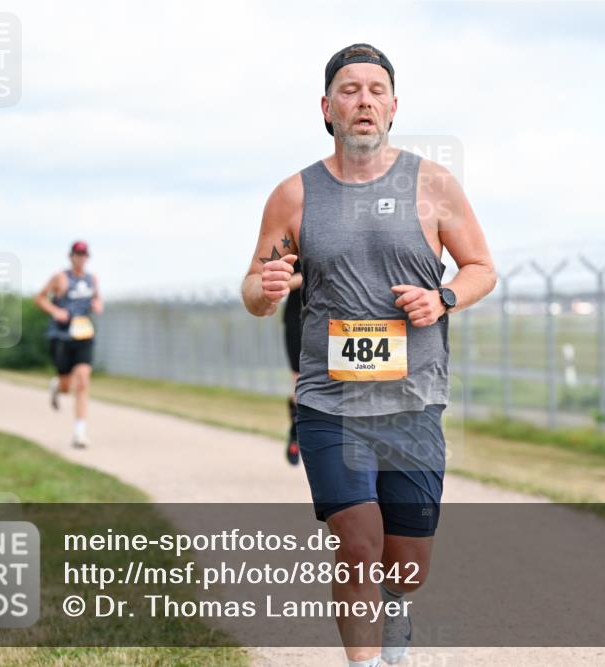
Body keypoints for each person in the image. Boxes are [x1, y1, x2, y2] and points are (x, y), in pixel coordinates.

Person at [241, 44, 496, 667]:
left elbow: (481, 268)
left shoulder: (433, 185)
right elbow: (253, 285)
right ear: (327, 108)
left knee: (406, 567)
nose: (363, 101)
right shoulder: (293, 195)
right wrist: (266, 288)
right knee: (356, 542)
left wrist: (443, 298)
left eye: (376, 89)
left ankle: (396, 612)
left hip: (412, 402)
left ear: (393, 106)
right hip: (331, 402)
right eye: (349, 90)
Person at [35, 241, 102, 448]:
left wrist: (98, 304)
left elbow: (98, 299)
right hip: (62, 336)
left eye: (84, 255)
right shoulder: (60, 278)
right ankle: (58, 386)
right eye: (77, 254)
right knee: (67, 386)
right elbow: (39, 297)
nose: (81, 258)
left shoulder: (93, 279)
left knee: (82, 380)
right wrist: (55, 311)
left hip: (84, 334)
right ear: (71, 256)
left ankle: (79, 433)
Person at [283, 260, 303, 465]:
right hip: (297, 318)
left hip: (335, 318)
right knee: (300, 379)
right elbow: (280, 283)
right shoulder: (293, 238)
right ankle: (296, 432)